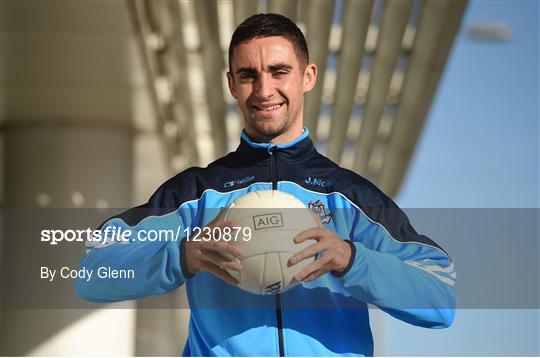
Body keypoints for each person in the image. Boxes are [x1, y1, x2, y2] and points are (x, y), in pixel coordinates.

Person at [77, 13, 455, 356]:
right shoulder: (195, 194)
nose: (263, 90)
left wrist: (352, 260)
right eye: (248, 75)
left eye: (279, 71)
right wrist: (180, 256)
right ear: (231, 84)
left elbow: (440, 296)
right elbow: (93, 270)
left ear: (308, 76)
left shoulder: (350, 197)